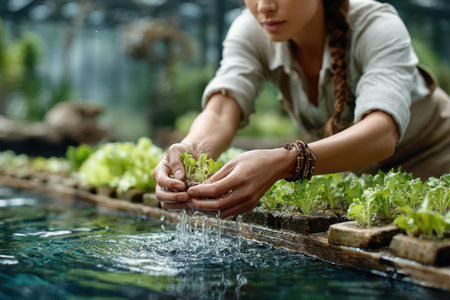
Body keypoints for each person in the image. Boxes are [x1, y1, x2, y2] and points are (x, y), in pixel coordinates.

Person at [153, 0, 450, 218]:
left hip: (438, 166)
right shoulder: (251, 30)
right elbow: (220, 111)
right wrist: (190, 150)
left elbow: (382, 132)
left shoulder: (377, 26)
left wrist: (286, 161)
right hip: (368, 184)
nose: (264, 6)